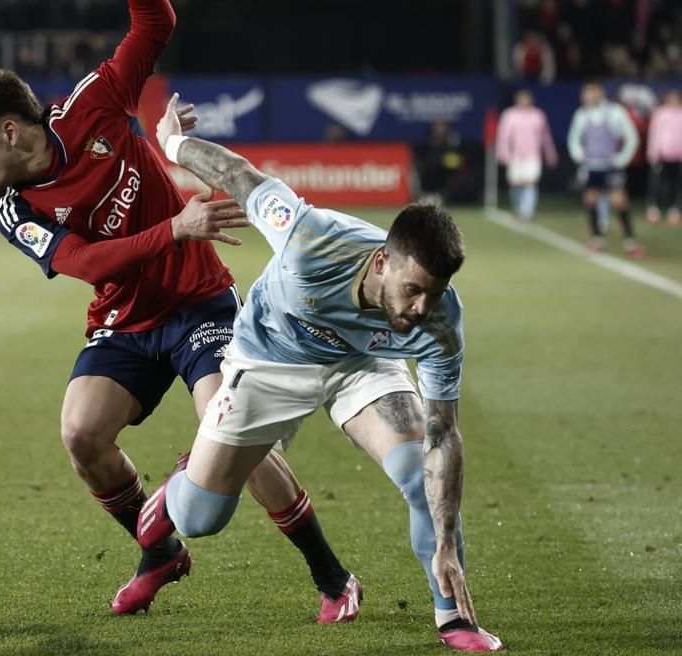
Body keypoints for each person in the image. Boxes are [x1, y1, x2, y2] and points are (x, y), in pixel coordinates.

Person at [0, 0, 360, 620]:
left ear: (8, 129)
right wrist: (174, 227)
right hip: (124, 319)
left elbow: (154, 20)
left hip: (198, 302)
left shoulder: (95, 102)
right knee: (81, 434)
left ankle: (331, 577)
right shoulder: (14, 207)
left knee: (231, 428)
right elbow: (90, 266)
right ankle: (160, 549)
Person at [136, 95, 505, 653]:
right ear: (382, 261)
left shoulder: (439, 322)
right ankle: (177, 490)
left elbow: (442, 436)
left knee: (418, 478)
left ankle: (454, 619)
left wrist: (448, 541)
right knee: (200, 519)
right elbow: (239, 175)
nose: (419, 309)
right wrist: (170, 143)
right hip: (268, 360)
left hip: (363, 366)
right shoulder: (311, 240)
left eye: (434, 294)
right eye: (412, 290)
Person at [566, 81, 643, 256]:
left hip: (610, 166)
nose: (585, 97)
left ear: (599, 94)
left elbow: (631, 137)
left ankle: (630, 241)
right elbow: (574, 139)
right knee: (591, 200)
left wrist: (621, 158)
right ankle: (596, 239)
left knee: (619, 202)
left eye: (589, 94)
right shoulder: (582, 115)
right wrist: (578, 155)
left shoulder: (615, 112)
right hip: (591, 166)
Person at [496, 89, 558, 220]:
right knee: (516, 183)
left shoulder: (538, 115)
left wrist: (550, 153)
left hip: (533, 155)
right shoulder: (509, 115)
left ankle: (527, 211)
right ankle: (518, 206)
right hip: (515, 156)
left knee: (531, 182)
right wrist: (503, 153)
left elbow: (545, 137)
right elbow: (503, 136)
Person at [646, 89, 682, 226]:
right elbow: (654, 134)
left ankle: (676, 209)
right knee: (656, 183)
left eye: (676, 98)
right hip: (661, 155)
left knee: (677, 184)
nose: (674, 101)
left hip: (678, 157)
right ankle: (653, 208)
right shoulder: (660, 114)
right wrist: (653, 153)